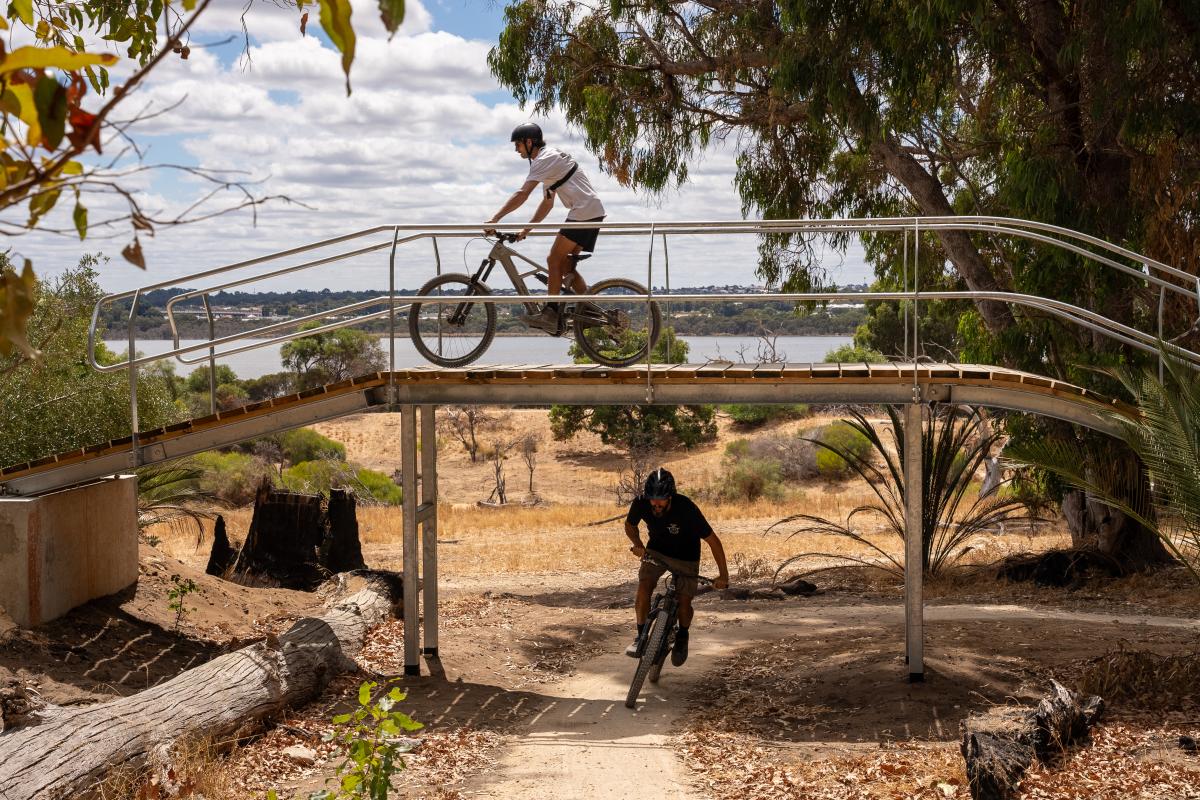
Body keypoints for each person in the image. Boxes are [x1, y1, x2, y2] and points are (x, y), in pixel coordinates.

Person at [485, 122, 606, 334]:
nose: (516, 150)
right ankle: (590, 310)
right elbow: (547, 204)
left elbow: (522, 194)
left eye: (518, 145)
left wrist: (495, 219)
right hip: (592, 210)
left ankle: (550, 313)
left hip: (583, 211)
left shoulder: (543, 159)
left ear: (529, 142)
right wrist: (526, 230)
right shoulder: (549, 161)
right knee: (566, 266)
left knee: (553, 260)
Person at [624, 467, 729, 666]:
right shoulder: (641, 502)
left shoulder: (686, 508)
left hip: (686, 557)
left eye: (661, 499)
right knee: (643, 588)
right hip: (656, 551)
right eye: (652, 498)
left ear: (671, 496)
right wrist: (638, 544)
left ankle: (682, 635)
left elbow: (713, 541)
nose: (656, 503)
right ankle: (640, 637)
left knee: (684, 602)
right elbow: (630, 525)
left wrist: (723, 575)